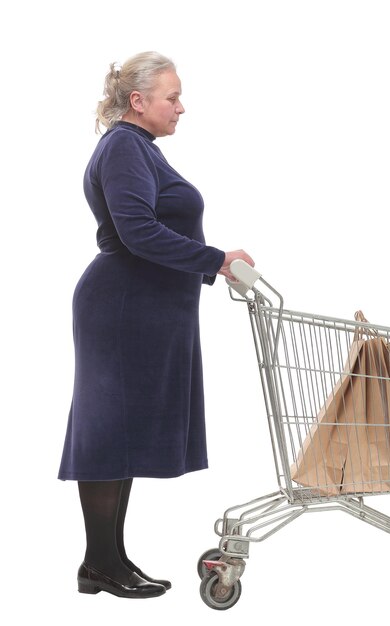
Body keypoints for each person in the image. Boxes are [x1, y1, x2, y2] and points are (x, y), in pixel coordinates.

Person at [58, 51, 254, 599]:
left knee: (120, 433)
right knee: (108, 433)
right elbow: (138, 231)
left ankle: (108, 560)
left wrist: (208, 262)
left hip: (142, 309)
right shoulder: (124, 147)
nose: (181, 107)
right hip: (124, 309)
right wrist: (214, 258)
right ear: (138, 101)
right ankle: (100, 563)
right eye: (172, 97)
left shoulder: (137, 148)